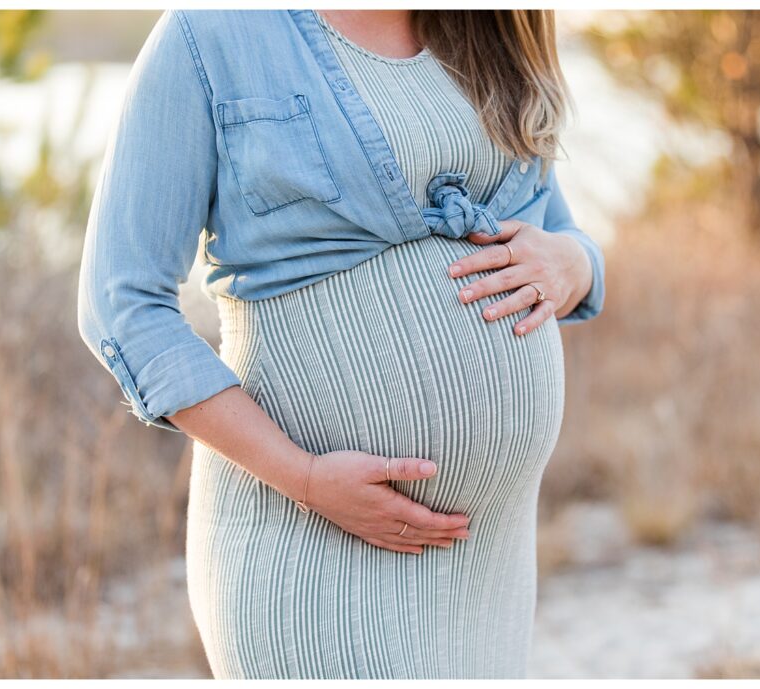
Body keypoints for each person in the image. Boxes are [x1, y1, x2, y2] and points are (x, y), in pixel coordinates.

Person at [77, 8, 605, 679]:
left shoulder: (492, 32)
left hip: (488, 561)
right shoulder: (210, 33)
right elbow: (121, 303)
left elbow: (564, 234)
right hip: (309, 536)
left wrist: (573, 264)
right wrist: (303, 477)